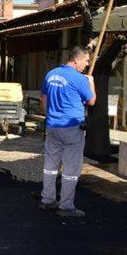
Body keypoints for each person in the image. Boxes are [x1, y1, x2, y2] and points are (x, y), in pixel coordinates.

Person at [39, 46, 96, 218]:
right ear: (77, 59)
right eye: (86, 61)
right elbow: (91, 101)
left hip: (53, 126)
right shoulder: (79, 79)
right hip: (72, 128)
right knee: (71, 168)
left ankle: (47, 200)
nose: (86, 65)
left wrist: (49, 116)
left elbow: (43, 99)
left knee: (50, 165)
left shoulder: (51, 74)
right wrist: (91, 83)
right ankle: (66, 206)